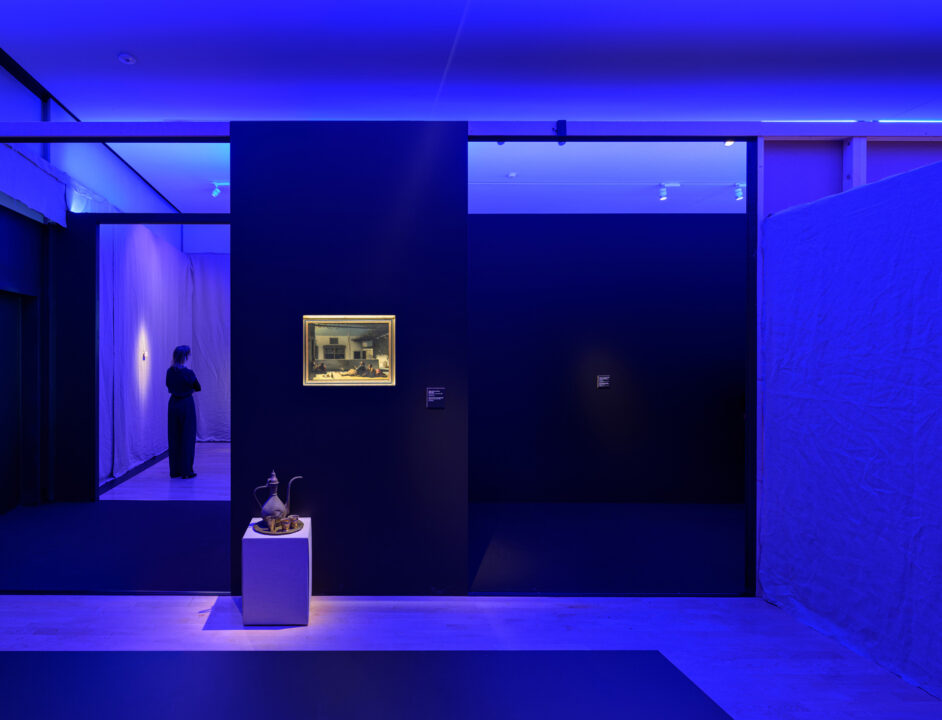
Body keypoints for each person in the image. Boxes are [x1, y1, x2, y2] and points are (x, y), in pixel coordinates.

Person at [166, 345, 201, 479]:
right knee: (187, 437)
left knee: (174, 436)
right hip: (186, 404)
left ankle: (175, 471)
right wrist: (188, 390)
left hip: (173, 404)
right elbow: (198, 387)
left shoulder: (169, 372)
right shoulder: (188, 373)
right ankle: (186, 471)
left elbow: (169, 387)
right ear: (185, 357)